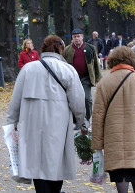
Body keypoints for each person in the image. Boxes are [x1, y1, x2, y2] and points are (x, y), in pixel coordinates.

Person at [6, 35, 88, 193]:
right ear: (60, 49)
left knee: (37, 163)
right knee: (56, 161)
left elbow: (15, 101)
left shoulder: (28, 69)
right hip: (58, 123)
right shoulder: (68, 70)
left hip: (32, 123)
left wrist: (11, 124)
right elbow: (78, 102)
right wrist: (83, 124)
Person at [91, 46, 135, 193]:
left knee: (120, 172)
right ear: (132, 61)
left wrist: (97, 145)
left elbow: (98, 115)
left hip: (113, 135)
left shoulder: (104, 83)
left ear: (112, 61)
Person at [63, 28, 102, 121]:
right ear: (72, 38)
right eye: (74, 37)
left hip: (86, 77)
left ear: (82, 37)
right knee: (73, 100)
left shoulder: (90, 48)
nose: (76, 38)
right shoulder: (67, 50)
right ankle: (76, 120)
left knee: (87, 98)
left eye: (78, 36)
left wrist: (97, 77)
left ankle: (87, 118)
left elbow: (96, 63)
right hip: (73, 79)